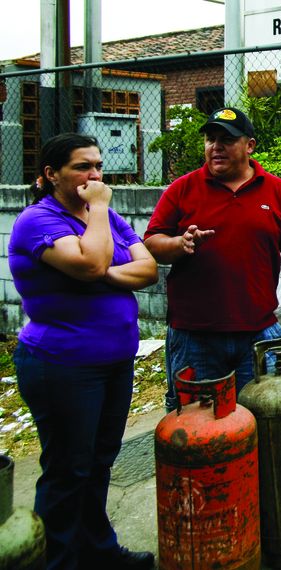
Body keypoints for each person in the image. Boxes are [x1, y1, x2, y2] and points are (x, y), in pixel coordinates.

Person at [9, 134, 158, 569]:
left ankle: (98, 551)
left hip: (114, 361)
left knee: (98, 463)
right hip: (63, 366)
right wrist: (100, 236)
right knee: (68, 471)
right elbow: (92, 262)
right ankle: (57, 561)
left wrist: (103, 269)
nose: (94, 176)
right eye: (81, 167)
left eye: (97, 166)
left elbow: (147, 269)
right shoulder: (40, 220)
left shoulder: (103, 217)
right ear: (51, 174)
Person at [144, 107, 281, 409]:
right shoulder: (182, 189)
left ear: (249, 146)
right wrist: (179, 243)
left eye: (226, 139)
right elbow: (152, 241)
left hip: (259, 333)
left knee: (264, 421)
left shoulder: (277, 192)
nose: (216, 147)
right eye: (211, 139)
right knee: (198, 426)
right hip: (194, 335)